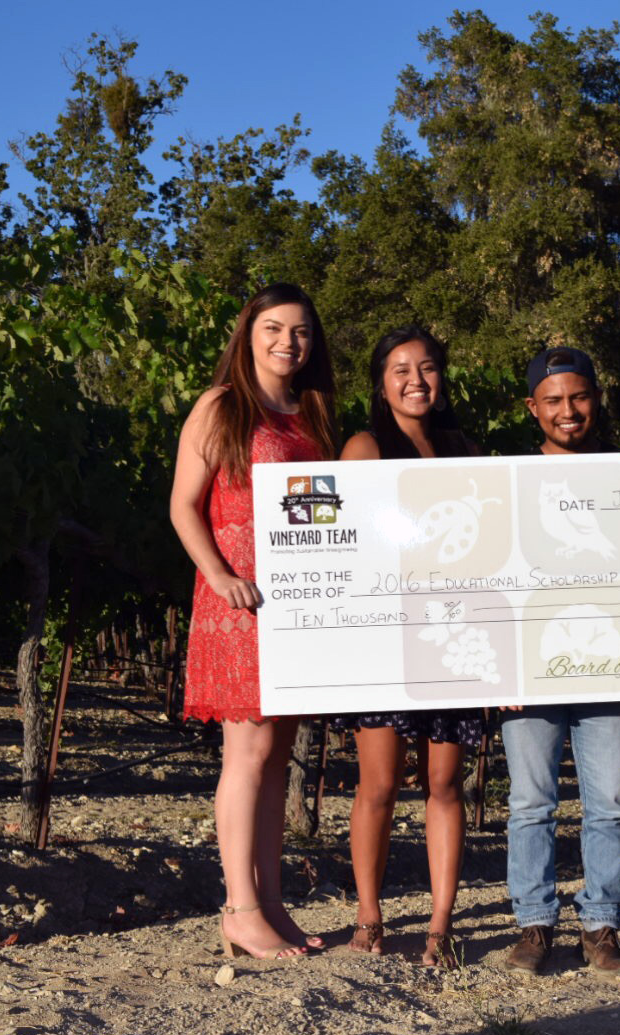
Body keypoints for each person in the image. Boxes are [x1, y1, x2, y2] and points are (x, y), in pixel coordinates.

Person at [170, 283, 339, 960]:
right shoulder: (221, 406)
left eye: (299, 332)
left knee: (275, 757)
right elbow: (185, 505)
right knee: (245, 754)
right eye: (273, 328)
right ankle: (238, 906)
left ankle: (270, 903)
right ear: (248, 333)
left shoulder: (312, 413)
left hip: (297, 602)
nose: (286, 343)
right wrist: (218, 576)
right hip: (240, 598)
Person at [334, 326, 483, 968]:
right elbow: (346, 545)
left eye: (427, 367)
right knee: (379, 785)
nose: (416, 380)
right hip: (384, 641)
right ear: (381, 383)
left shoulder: (467, 452)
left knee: (445, 785)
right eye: (400, 369)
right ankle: (370, 917)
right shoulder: (365, 448)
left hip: (453, 636)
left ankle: (439, 926)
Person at [500, 346, 620, 978]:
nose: (568, 411)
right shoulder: (504, 481)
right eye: (553, 400)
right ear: (533, 407)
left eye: (578, 397)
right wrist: (497, 666)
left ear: (596, 399)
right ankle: (535, 925)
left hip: (609, 661)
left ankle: (601, 927)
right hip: (530, 668)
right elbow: (490, 578)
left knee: (608, 802)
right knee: (531, 802)